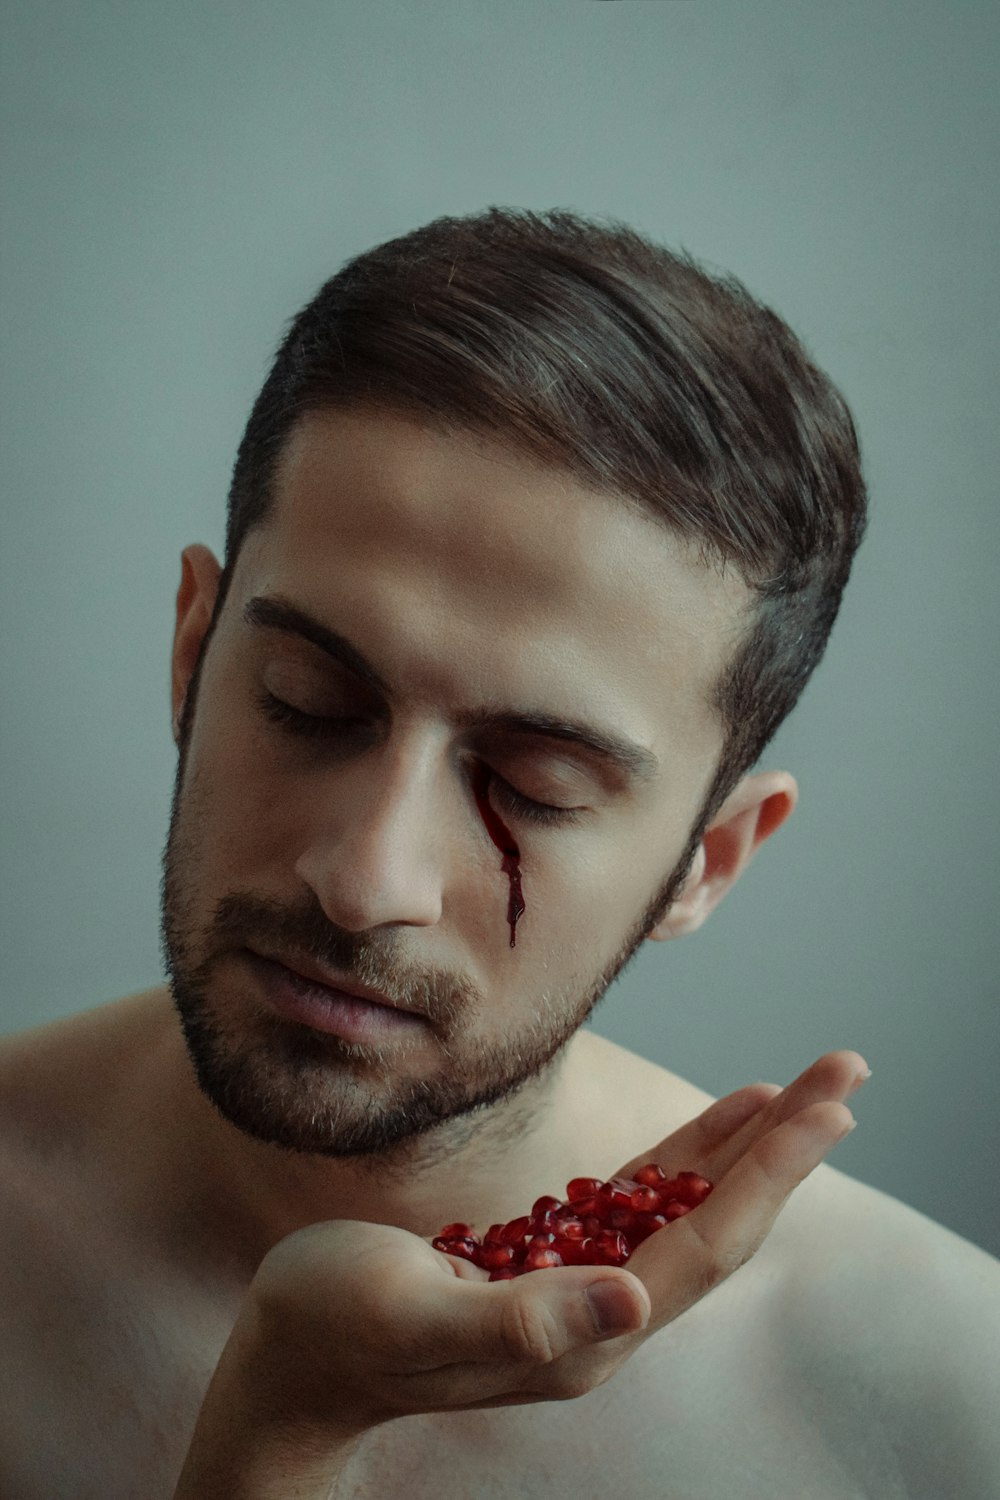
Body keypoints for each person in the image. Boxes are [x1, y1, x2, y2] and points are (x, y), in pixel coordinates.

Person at [1, 207, 996, 1500]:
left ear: (713, 858)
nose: (366, 881)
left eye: (533, 788)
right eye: (306, 701)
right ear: (194, 650)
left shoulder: (942, 1404)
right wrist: (276, 1436)